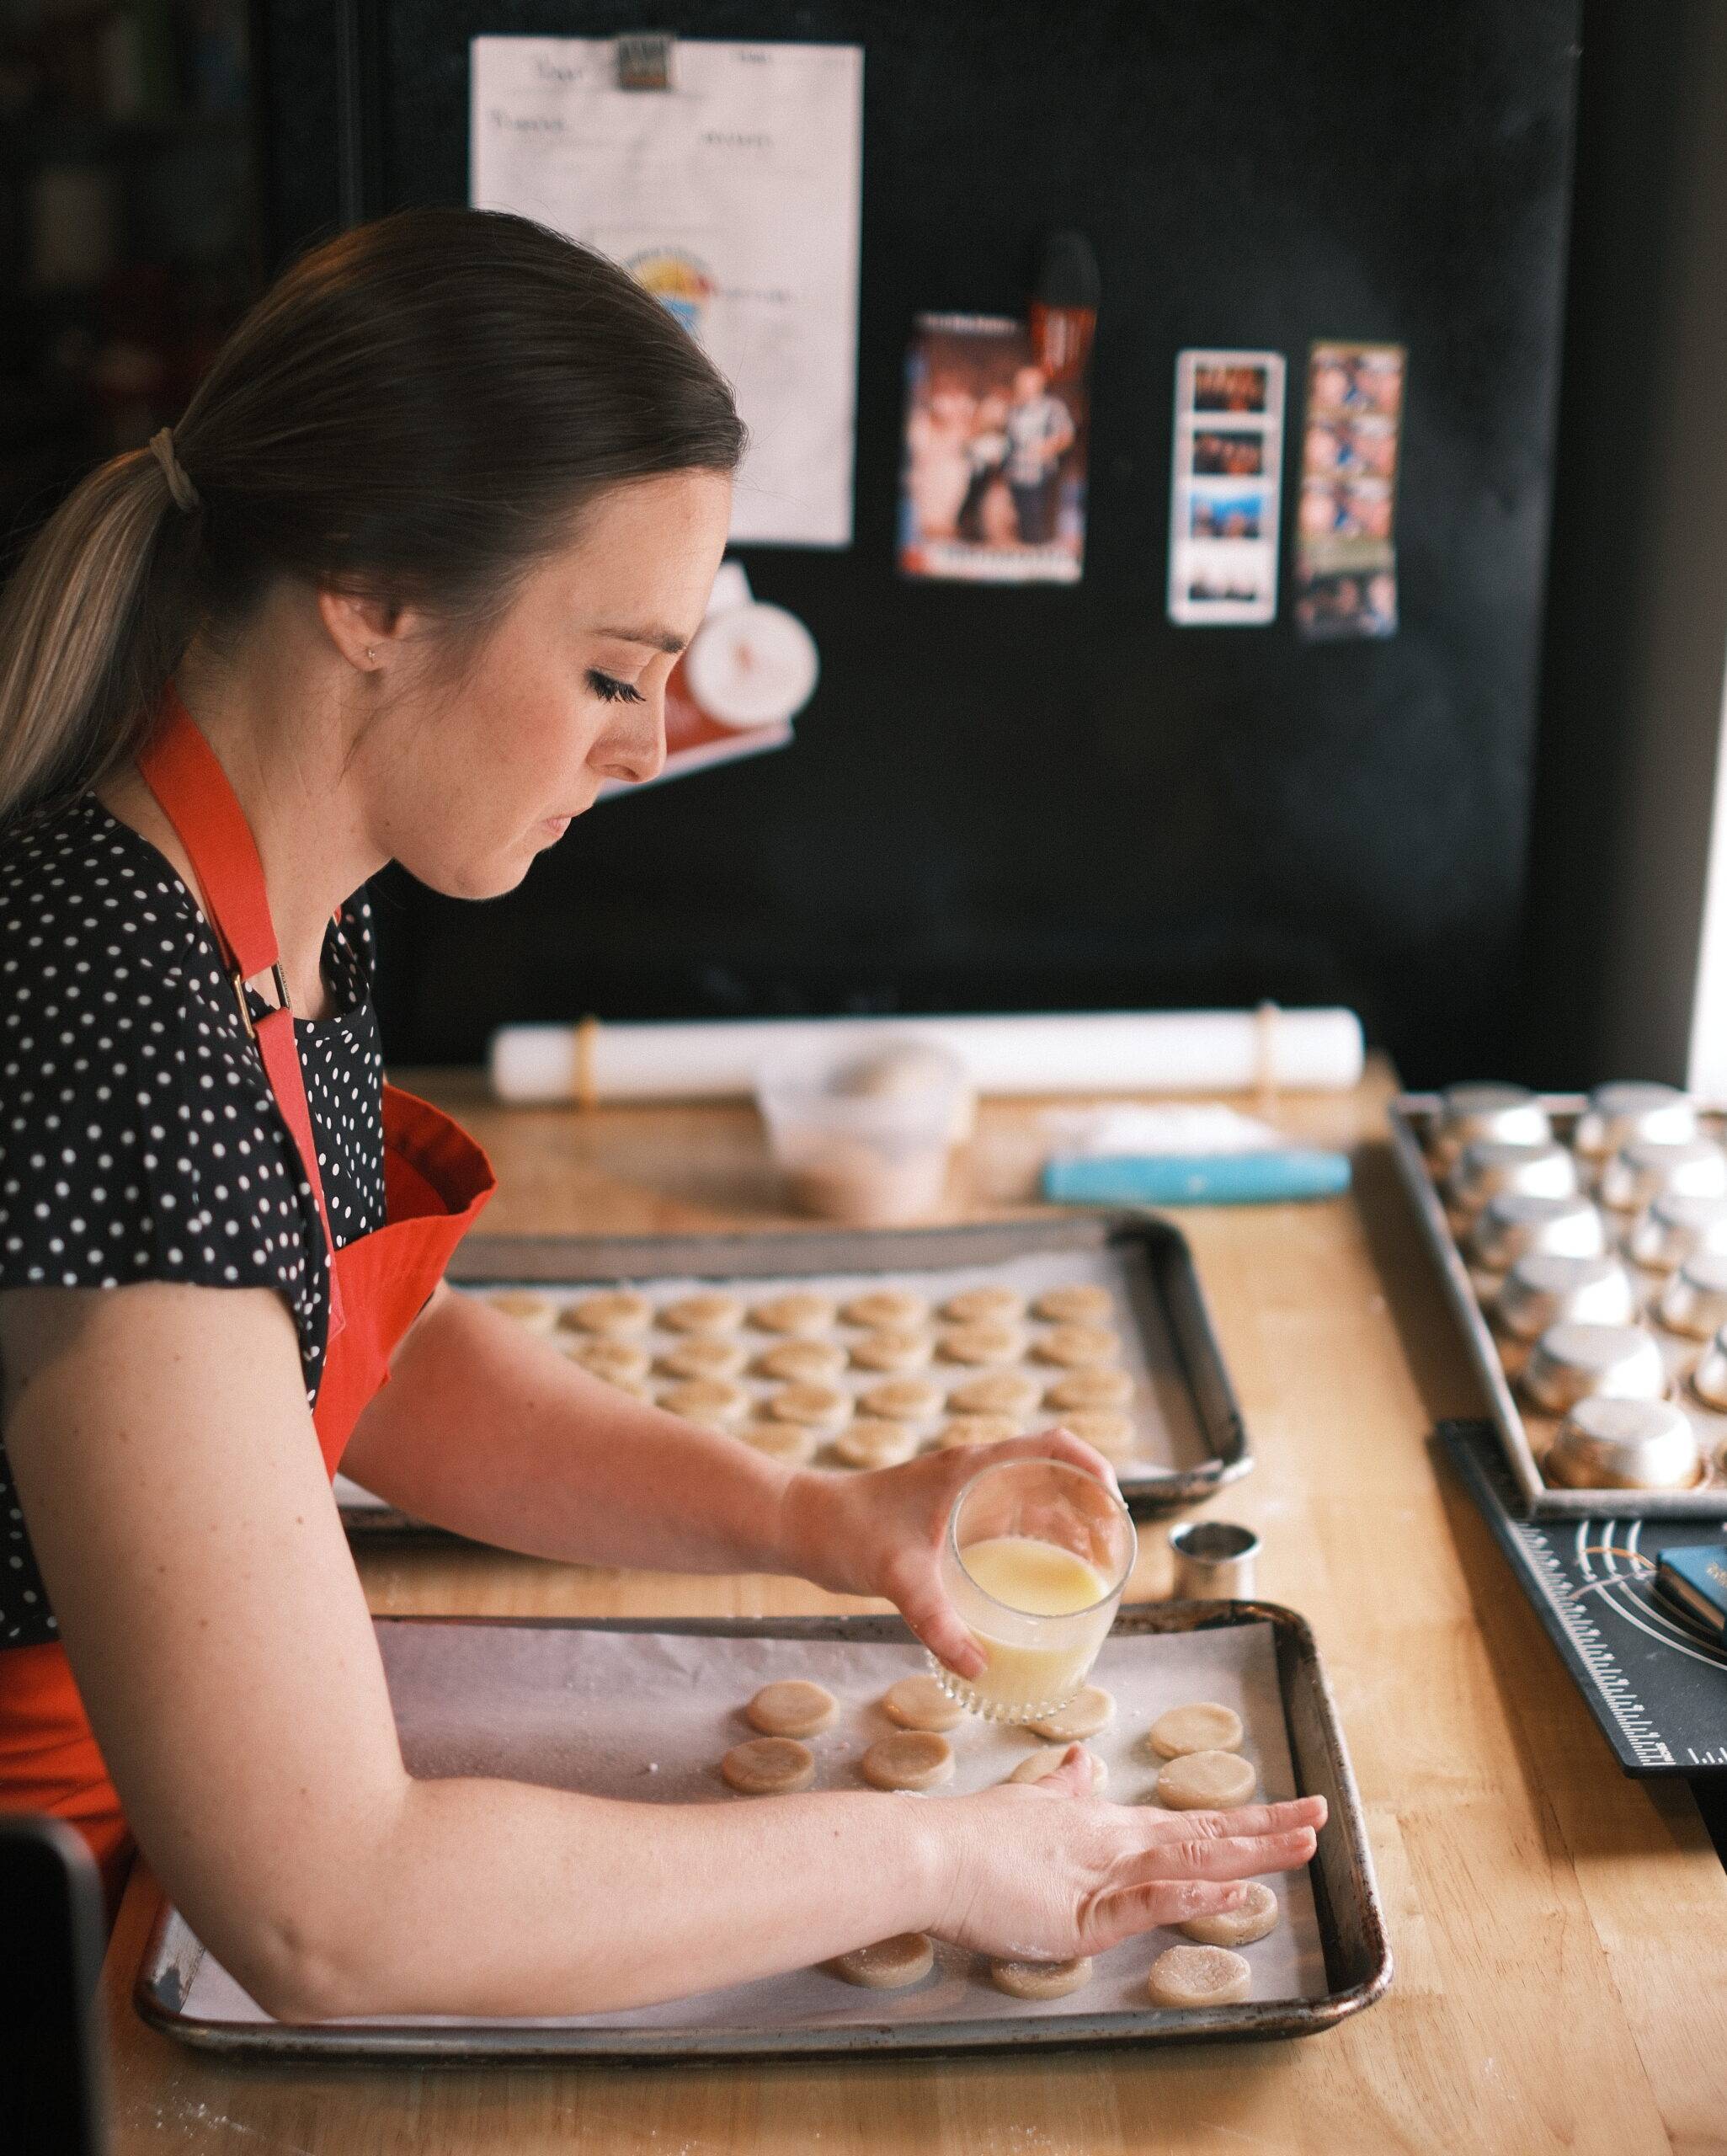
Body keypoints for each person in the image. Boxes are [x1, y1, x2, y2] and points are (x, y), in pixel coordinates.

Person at [0, 208, 1322, 2020]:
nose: (641, 751)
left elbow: (339, 1353)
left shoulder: (275, 911)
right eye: (614, 672)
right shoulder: (105, 1022)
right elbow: (333, 1906)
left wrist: (810, 1508)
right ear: (374, 594)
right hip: (59, 1945)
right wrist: (948, 1853)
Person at [1001, 365, 1074, 547]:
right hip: (1017, 472)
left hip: (1040, 472)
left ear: (1037, 385)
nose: (1020, 386)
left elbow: (1066, 435)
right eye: (1018, 383)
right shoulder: (1015, 409)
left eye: (1025, 383)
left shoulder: (1052, 407)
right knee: (1021, 520)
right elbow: (1010, 439)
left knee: (1037, 521)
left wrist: (1047, 448)